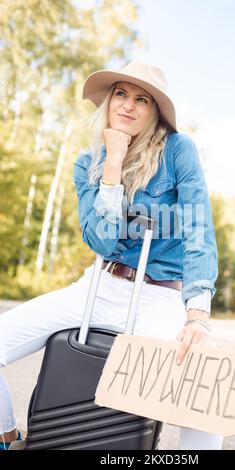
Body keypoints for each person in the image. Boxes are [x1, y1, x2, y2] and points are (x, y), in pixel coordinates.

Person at [0, 61, 223, 450]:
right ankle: (8, 437)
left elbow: (197, 229)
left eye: (142, 99)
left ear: (155, 112)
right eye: (121, 93)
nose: (128, 105)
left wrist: (197, 315)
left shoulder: (178, 151)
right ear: (108, 101)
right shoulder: (87, 163)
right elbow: (102, 242)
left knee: (201, 391)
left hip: (159, 296)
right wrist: (113, 165)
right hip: (98, 286)